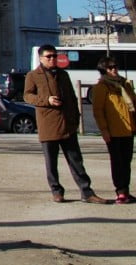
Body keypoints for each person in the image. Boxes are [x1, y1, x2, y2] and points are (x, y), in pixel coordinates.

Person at [23, 45, 109, 204]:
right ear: (41, 58)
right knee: (51, 162)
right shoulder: (33, 75)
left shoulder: (63, 74)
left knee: (76, 160)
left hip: (67, 124)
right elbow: (27, 96)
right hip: (48, 125)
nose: (52, 59)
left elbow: (71, 96)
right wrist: (46, 100)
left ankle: (86, 192)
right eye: (48, 56)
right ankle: (57, 191)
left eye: (54, 56)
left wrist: (76, 118)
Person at [90, 55, 136, 204]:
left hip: (128, 129)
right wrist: (104, 130)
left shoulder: (124, 84)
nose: (114, 70)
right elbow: (98, 111)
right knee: (117, 162)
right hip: (113, 130)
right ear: (104, 70)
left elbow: (133, 103)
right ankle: (120, 191)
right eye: (110, 68)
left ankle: (126, 190)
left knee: (126, 161)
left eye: (115, 67)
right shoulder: (102, 87)